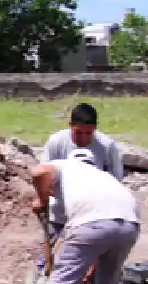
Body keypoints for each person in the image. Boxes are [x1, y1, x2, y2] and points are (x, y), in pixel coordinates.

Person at [26, 147, 141, 284]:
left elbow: (38, 172)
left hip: (91, 224)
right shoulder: (103, 178)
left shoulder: (63, 167)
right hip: (129, 225)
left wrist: (41, 200)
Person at [39, 102, 124, 252]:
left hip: (93, 214)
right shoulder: (56, 142)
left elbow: (115, 181)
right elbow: (44, 173)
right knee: (52, 255)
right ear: (70, 126)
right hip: (61, 211)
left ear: (95, 128)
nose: (83, 139)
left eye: (88, 134)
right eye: (78, 133)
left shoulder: (107, 146)